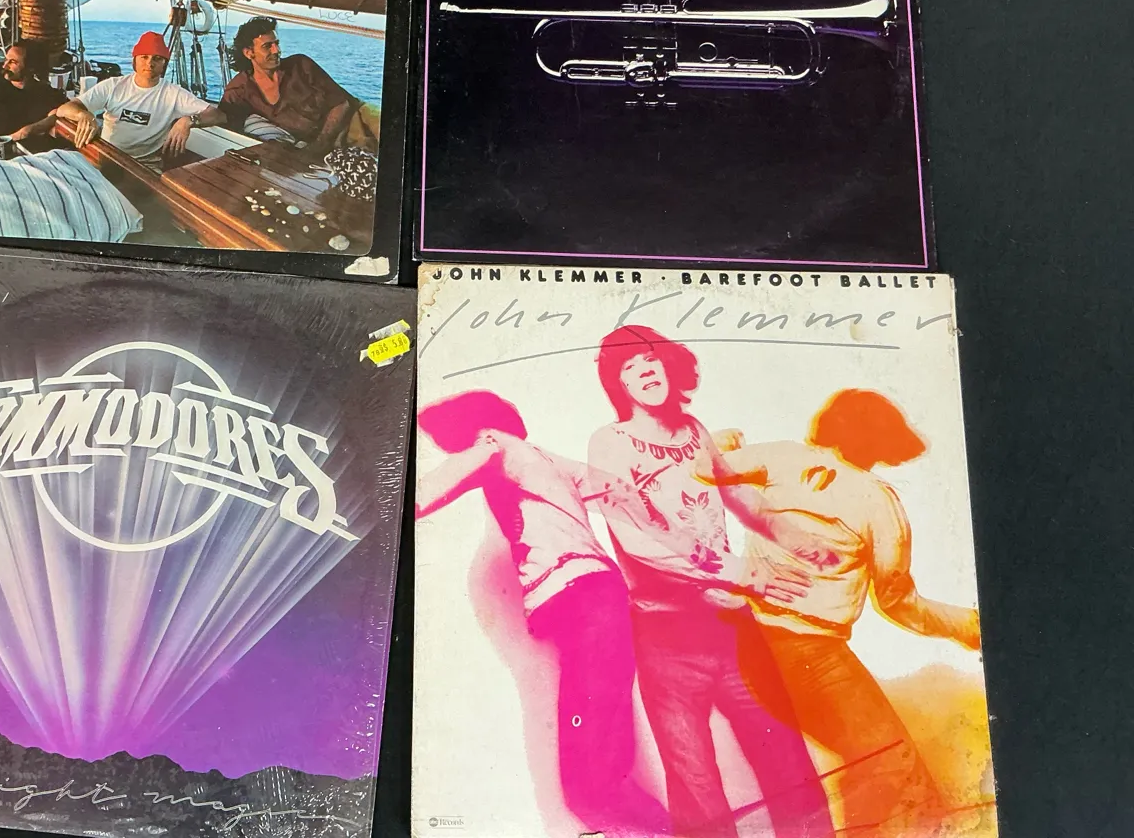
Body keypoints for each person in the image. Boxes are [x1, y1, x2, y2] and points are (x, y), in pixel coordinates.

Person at [587, 326, 835, 838]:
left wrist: (793, 534)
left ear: (669, 364)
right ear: (618, 384)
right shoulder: (609, 442)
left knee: (788, 764)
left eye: (650, 358)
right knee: (696, 788)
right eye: (629, 367)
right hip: (666, 637)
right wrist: (742, 572)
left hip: (732, 628)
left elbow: (739, 497)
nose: (644, 370)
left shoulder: (695, 430)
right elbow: (636, 540)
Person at [700, 390, 981, 837]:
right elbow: (898, 603)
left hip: (749, 648)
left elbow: (701, 465)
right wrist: (966, 626)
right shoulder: (878, 500)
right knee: (891, 765)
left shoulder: (783, 456)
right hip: (810, 655)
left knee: (868, 762)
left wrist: (724, 441)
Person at [417, 390, 671, 838]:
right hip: (586, 584)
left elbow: (611, 487)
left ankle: (603, 800)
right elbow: (616, 487)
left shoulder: (511, 449)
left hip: (576, 584)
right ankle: (606, 799)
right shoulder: (522, 452)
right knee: (601, 690)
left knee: (593, 690)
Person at [51, 31, 227, 169]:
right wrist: (84, 115)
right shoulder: (113, 85)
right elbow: (64, 108)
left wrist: (188, 120)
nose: (150, 63)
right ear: (134, 60)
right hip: (105, 157)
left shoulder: (174, 94)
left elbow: (218, 115)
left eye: (157, 58)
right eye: (144, 57)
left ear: (164, 64)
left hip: (145, 166)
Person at [218, 16, 373, 151]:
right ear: (248, 53)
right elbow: (221, 118)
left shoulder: (300, 66)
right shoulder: (239, 89)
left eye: (277, 43)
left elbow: (342, 104)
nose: (276, 50)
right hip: (313, 148)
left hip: (353, 123)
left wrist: (320, 145)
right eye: (267, 46)